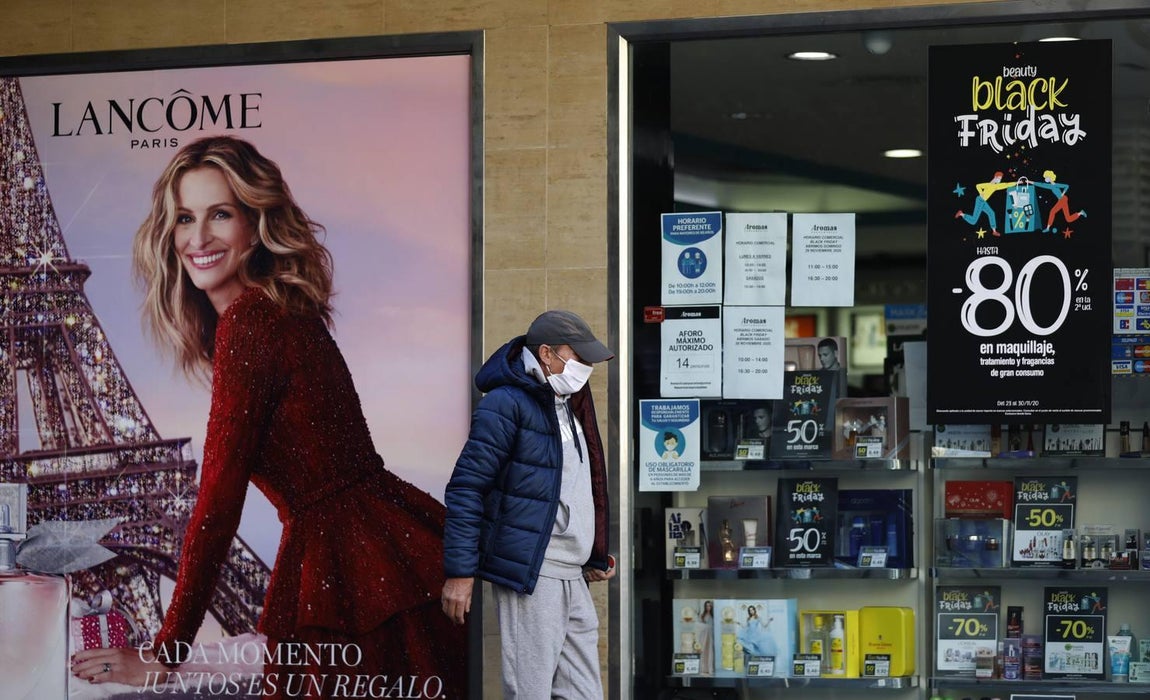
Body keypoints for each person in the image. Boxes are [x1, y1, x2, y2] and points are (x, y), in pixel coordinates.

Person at [70, 136, 465, 698]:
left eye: (220, 214)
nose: (198, 237)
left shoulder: (252, 319)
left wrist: (167, 654)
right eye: (185, 218)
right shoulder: (277, 311)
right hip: (376, 549)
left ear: (254, 227)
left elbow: (219, 498)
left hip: (349, 564)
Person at [441, 309, 616, 698]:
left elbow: (576, 485)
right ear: (547, 354)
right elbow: (467, 487)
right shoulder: (506, 404)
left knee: (584, 695)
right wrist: (460, 572)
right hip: (535, 575)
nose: (586, 367)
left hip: (573, 576)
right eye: (579, 357)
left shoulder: (569, 403)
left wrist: (594, 551)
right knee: (529, 692)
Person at [955, 170, 1011, 236]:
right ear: (995, 177)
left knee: (991, 213)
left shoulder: (996, 186)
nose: (999, 181)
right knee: (973, 221)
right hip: (980, 200)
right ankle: (961, 214)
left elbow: (1006, 184)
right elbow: (978, 186)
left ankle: (994, 231)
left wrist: (1018, 182)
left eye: (1000, 179)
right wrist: (981, 192)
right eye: (999, 178)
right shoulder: (989, 184)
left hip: (983, 201)